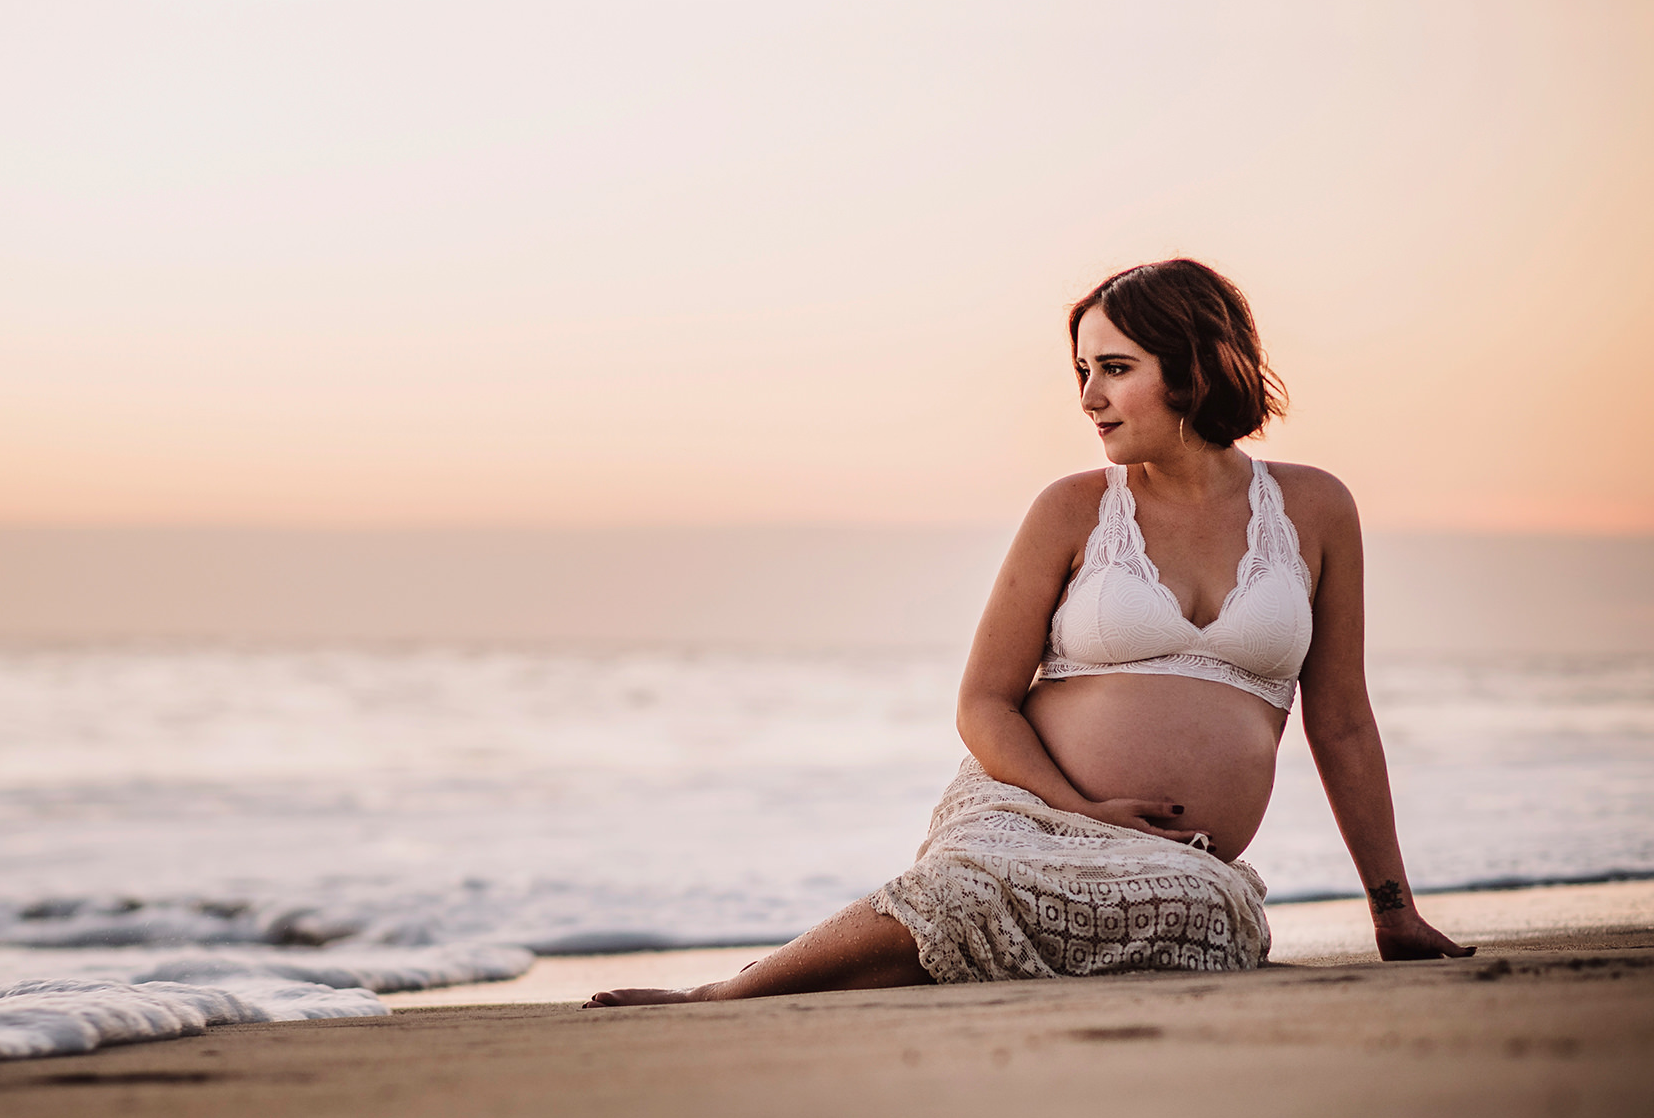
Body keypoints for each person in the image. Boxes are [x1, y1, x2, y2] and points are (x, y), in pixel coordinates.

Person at [587, 258, 1472, 1007]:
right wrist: (1076, 805)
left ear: (1196, 367)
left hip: (1178, 859)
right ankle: (730, 994)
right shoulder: (1071, 509)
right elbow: (981, 702)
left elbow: (1343, 721)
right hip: (1028, 809)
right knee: (965, 892)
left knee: (1211, 921)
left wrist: (1390, 907)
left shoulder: (1316, 507)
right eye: (1081, 370)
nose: (1089, 396)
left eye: (1115, 368)